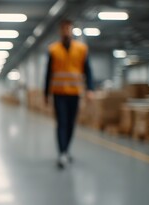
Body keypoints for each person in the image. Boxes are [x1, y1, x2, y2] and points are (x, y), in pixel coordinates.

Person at [44, 19, 94, 169]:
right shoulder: (53, 49)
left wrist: (90, 89)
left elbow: (88, 70)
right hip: (59, 93)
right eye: (63, 29)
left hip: (74, 92)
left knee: (71, 123)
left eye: (68, 28)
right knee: (61, 123)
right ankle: (62, 153)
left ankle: (66, 150)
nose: (66, 31)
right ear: (60, 31)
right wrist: (45, 93)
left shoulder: (81, 49)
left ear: (72, 30)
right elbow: (48, 73)